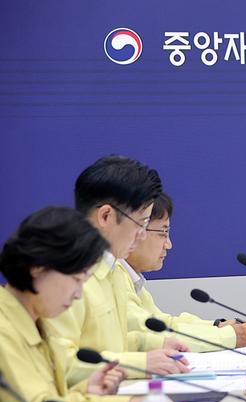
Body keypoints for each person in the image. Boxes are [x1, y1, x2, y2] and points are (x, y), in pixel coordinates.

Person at [43, 156, 190, 387]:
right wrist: (140, 363)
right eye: (141, 223)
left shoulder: (116, 270)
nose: (142, 235)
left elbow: (110, 344)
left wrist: (153, 345)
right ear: (106, 216)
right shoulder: (63, 275)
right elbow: (61, 365)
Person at [0, 207, 143, 402]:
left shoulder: (40, 322)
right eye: (76, 280)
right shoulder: (4, 330)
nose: (78, 294)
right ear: (38, 267)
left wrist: (85, 390)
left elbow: (48, 399)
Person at [121, 192, 246, 350]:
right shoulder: (113, 276)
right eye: (163, 233)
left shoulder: (131, 278)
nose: (168, 245)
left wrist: (216, 326)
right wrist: (227, 336)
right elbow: (152, 334)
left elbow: (164, 323)